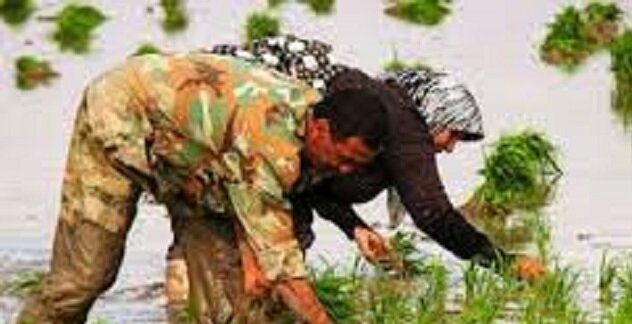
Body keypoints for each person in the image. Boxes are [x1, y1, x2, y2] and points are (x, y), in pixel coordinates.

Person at [15, 51, 389, 324]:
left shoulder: (309, 118)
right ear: (321, 129)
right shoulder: (270, 142)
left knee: (227, 309)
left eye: (355, 165)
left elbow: (253, 194)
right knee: (87, 273)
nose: (342, 171)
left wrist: (250, 260)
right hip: (121, 115)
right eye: (343, 159)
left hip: (195, 157)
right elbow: (282, 264)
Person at [207, 36, 546, 280]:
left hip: (228, 144)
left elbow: (315, 186)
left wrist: (355, 228)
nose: (450, 147)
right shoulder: (406, 128)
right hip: (245, 146)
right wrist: (504, 263)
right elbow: (434, 215)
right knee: (255, 258)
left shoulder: (382, 114)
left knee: (204, 236)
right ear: (435, 112)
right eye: (453, 133)